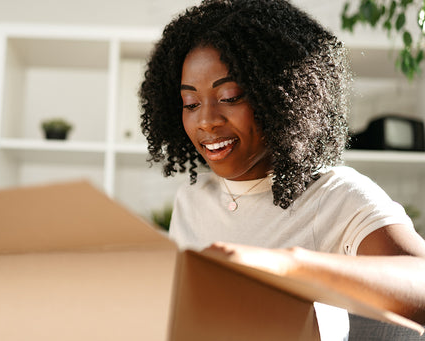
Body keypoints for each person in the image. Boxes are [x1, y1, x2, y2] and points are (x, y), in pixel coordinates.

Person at [139, 0, 425, 339]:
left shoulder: (335, 194)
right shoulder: (191, 200)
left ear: (281, 98)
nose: (206, 121)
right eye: (191, 104)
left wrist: (287, 266)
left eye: (230, 97)